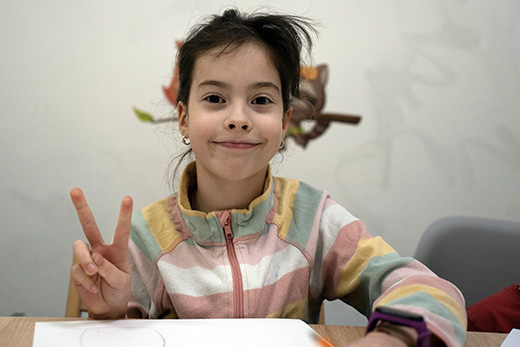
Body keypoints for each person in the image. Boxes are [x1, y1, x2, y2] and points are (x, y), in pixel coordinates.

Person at [70, 8, 466, 347]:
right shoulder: (147, 237)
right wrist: (110, 315)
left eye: (261, 100)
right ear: (184, 119)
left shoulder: (313, 220)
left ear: (284, 121)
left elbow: (431, 289)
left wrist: (393, 337)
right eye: (214, 98)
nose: (239, 118)